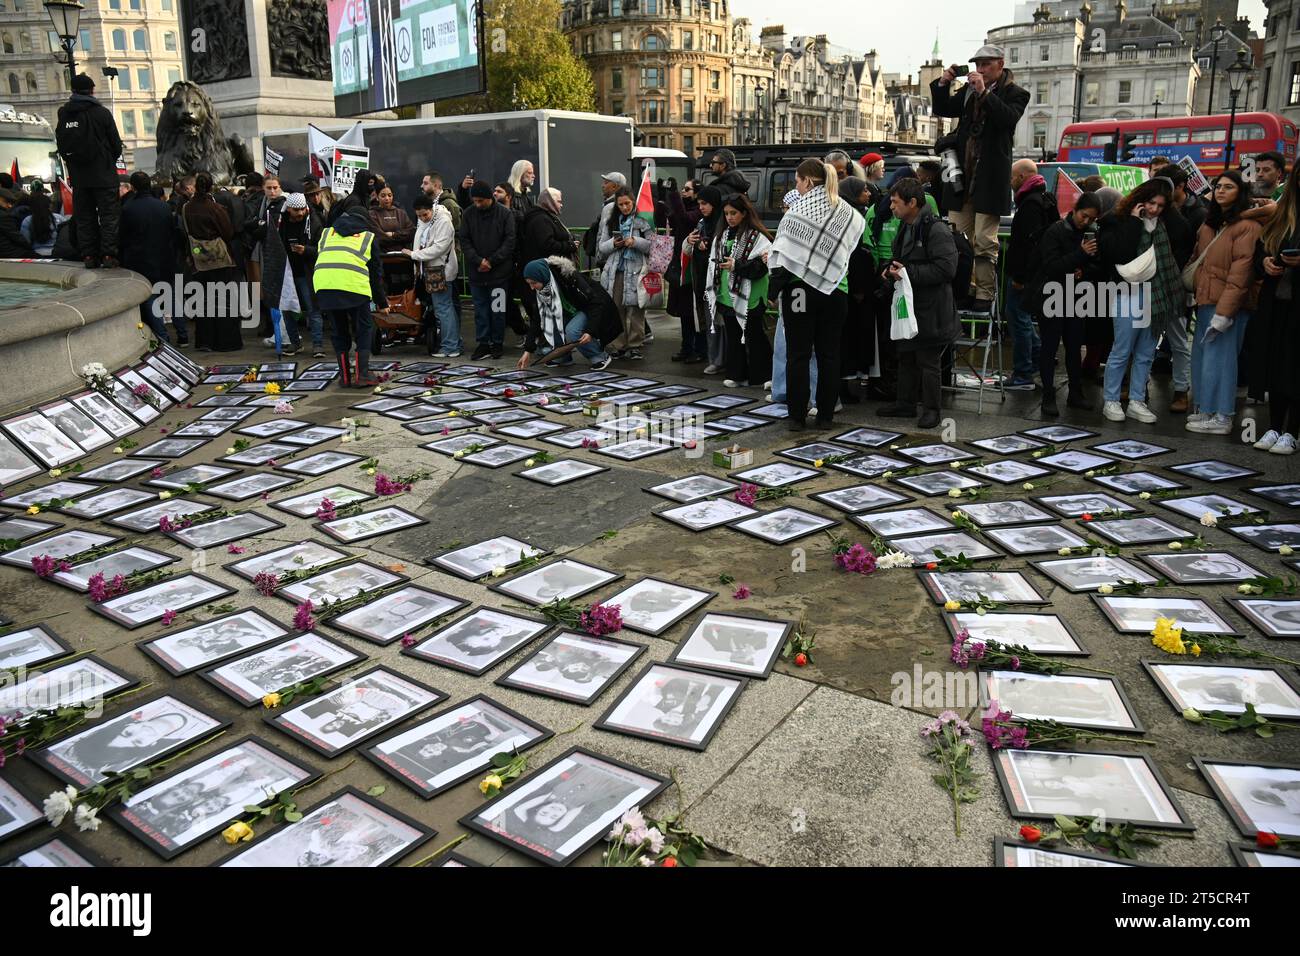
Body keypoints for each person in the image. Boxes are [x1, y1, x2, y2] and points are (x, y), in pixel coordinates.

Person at [930, 45, 1029, 311]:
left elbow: (1007, 119)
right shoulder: (969, 92)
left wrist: (984, 93)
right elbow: (943, 108)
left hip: (989, 179)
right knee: (957, 240)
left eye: (986, 65)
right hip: (962, 177)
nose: (980, 70)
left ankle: (984, 295)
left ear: (1000, 63)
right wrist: (943, 83)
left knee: (985, 242)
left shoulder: (1016, 94)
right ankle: (965, 289)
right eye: (977, 65)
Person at [767, 159, 862, 430]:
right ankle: (825, 416)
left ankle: (797, 416)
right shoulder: (847, 212)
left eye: (797, 181)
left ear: (807, 181)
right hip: (835, 290)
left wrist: (774, 290)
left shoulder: (798, 211)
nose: (796, 187)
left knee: (798, 353)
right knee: (829, 355)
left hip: (800, 290)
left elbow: (784, 256)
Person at [1097, 178, 1182, 424]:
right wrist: (1134, 221)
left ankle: (1137, 400)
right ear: (1139, 199)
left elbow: (1183, 233)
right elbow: (1119, 253)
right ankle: (1111, 400)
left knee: (1146, 352)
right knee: (1122, 350)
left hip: (1156, 295)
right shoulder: (1117, 219)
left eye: (1160, 205)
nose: (1154, 209)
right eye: (1151, 202)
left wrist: (1167, 184)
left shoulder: (1164, 224)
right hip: (1128, 293)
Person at [1187, 170, 1264, 435]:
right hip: (1206, 300)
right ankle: (1206, 409)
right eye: (1218, 186)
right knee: (1204, 358)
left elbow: (1241, 274)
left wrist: (1225, 311)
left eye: (1228, 187)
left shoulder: (1248, 227)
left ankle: (1223, 415)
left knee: (1222, 360)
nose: (1221, 190)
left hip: (1229, 305)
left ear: (1240, 192)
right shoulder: (1209, 224)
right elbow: (1197, 260)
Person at [875, 179, 958, 430]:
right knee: (906, 356)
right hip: (909, 305)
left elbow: (947, 269)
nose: (891, 207)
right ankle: (905, 403)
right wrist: (890, 271)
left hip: (932, 309)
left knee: (928, 360)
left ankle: (932, 410)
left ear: (912, 203)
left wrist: (907, 272)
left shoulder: (935, 229)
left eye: (895, 202)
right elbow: (902, 260)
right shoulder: (906, 225)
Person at [1032, 191, 1103, 416]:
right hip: (1052, 295)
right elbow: (1051, 266)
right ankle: (1048, 395)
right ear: (1074, 209)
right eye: (1084, 216)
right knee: (1050, 346)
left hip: (1075, 296)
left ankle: (1075, 392)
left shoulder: (1091, 233)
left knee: (1074, 346)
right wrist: (1080, 256)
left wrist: (1084, 269)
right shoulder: (1056, 231)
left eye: (1092, 218)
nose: (1086, 221)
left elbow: (1096, 265)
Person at [1252, 159, 1300, 456]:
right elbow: (1262, 251)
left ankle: (1292, 431)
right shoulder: (1283, 213)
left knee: (1295, 367)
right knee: (1275, 365)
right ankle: (1273, 427)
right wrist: (1265, 263)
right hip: (1277, 301)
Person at [314, 203, 390, 386]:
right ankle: (362, 375)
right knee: (363, 330)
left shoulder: (327, 233)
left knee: (339, 331)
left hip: (325, 287)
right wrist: (382, 302)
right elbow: (375, 274)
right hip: (353, 286)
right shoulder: (367, 237)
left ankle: (345, 377)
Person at [55, 73, 125, 268]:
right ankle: (109, 255)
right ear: (92, 90)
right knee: (109, 216)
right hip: (103, 176)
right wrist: (106, 161)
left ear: (73, 90)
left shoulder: (64, 113)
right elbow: (116, 145)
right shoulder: (101, 113)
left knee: (84, 217)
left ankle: (88, 256)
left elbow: (62, 144)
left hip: (79, 178)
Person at [705, 192, 773, 388]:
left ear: (744, 213)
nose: (729, 217)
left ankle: (764, 375)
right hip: (727, 294)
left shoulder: (758, 237)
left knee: (754, 335)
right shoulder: (722, 235)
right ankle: (737, 374)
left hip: (751, 294)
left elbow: (761, 268)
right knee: (734, 336)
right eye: (726, 213)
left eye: (733, 213)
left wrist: (737, 266)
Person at [1005, 158, 1059, 389]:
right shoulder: (1045, 199)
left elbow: (1025, 246)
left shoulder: (1030, 205)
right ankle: (1038, 360)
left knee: (1019, 321)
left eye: (1012, 177)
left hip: (1025, 276)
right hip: (1039, 274)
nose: (1010, 182)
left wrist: (1019, 277)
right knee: (1025, 321)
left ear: (1022, 177)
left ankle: (1023, 373)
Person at [179, 172, 243, 352]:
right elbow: (228, 232)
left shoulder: (186, 208)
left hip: (198, 259)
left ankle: (204, 340)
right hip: (219, 259)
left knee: (203, 299)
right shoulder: (215, 208)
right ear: (210, 186)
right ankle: (225, 341)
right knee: (223, 298)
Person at [518, 256, 617, 371]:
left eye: (534, 283)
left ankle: (599, 356)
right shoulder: (542, 291)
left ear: (543, 276)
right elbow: (537, 319)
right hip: (571, 311)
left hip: (587, 308)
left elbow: (595, 304)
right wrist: (527, 351)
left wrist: (590, 331)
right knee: (550, 321)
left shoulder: (568, 277)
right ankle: (562, 357)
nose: (531, 287)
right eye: (529, 283)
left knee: (573, 330)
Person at [1160, 165, 1204, 413]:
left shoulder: (1196, 213)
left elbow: (1190, 251)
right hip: (1155, 283)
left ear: (1180, 186)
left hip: (1178, 286)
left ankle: (1181, 391)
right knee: (1144, 341)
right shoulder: (1157, 209)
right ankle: (1136, 390)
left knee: (1178, 341)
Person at [458, 179, 517, 359]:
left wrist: (491, 261)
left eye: (480, 201)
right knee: (480, 311)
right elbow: (465, 240)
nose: (477, 204)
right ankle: (483, 343)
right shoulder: (468, 214)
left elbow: (509, 241)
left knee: (497, 310)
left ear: (489, 198)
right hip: (477, 275)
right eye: (474, 200)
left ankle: (497, 343)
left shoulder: (505, 214)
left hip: (499, 274)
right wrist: (478, 261)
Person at [119, 171, 177, 345]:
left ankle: (162, 335)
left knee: (149, 298)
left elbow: (122, 237)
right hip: (163, 257)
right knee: (170, 295)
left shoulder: (128, 208)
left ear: (133, 187)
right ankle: (182, 334)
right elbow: (172, 232)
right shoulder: (163, 207)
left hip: (139, 260)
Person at [597, 186, 654, 360]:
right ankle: (619, 344)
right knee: (617, 308)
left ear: (633, 201)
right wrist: (614, 244)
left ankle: (636, 344)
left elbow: (652, 244)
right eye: (620, 204)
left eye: (627, 203)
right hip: (616, 270)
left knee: (636, 309)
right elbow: (602, 246)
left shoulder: (643, 220)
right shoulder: (611, 221)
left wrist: (635, 241)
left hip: (637, 269)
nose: (624, 207)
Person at [404, 193, 461, 358]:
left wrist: (414, 255)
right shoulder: (425, 220)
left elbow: (439, 248)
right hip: (431, 269)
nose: (422, 218)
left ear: (432, 209)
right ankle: (454, 344)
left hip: (441, 270)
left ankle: (450, 347)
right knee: (445, 308)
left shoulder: (443, 221)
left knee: (443, 309)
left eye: (425, 214)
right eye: (419, 216)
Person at [662, 179, 705, 363]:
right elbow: (672, 219)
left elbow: (685, 220)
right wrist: (665, 198)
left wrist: (673, 195)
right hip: (680, 264)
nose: (683, 192)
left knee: (693, 310)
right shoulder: (684, 207)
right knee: (683, 311)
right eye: (683, 188)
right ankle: (686, 347)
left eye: (687, 189)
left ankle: (699, 349)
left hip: (693, 266)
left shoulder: (697, 211)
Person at [686, 184, 726, 373]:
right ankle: (715, 360)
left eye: (705, 203)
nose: (701, 207)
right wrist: (691, 241)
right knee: (711, 323)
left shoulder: (723, 222)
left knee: (722, 323)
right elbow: (688, 246)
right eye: (699, 203)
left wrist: (707, 247)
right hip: (703, 280)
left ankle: (724, 359)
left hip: (720, 281)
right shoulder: (702, 223)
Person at [279, 192, 326, 357]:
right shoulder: (281, 223)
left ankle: (318, 345)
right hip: (288, 273)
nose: (299, 213)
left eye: (301, 209)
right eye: (295, 210)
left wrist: (306, 250)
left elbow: (323, 248)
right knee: (287, 309)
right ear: (289, 209)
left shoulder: (314, 222)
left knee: (313, 309)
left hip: (308, 272)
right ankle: (295, 343)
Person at [369, 185, 415, 293]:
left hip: (402, 259)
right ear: (377, 197)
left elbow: (411, 232)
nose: (387, 198)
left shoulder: (401, 213)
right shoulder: (372, 213)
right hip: (382, 259)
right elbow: (378, 237)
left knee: (404, 289)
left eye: (389, 195)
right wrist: (400, 237)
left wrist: (393, 234)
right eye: (383, 195)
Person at [520, 187, 578, 266]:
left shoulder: (546, 216)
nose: (561, 205)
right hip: (547, 267)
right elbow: (547, 245)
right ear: (549, 202)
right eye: (559, 201)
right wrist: (570, 245)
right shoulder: (541, 219)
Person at [0, 188, 35, 257]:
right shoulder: (4, 216)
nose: (9, 206)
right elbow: (16, 237)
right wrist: (30, 248)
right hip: (7, 252)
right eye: (6, 201)